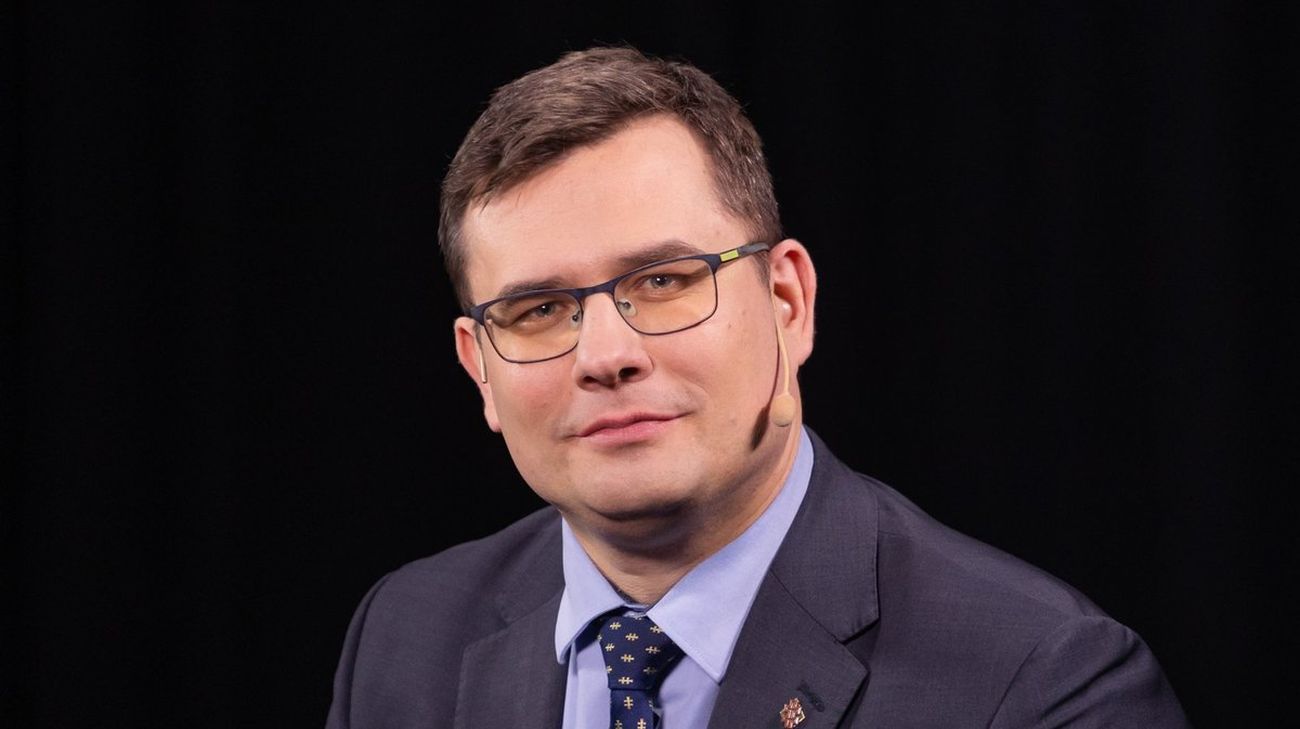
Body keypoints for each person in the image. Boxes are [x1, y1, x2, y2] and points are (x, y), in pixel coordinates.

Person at [326, 46, 1188, 728]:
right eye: (540, 309)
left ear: (788, 302)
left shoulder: (1040, 682)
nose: (605, 355)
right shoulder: (405, 638)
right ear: (479, 366)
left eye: (664, 280)